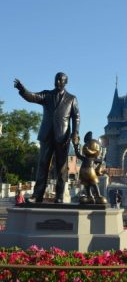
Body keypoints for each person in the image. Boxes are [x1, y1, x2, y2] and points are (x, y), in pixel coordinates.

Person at [14, 72, 80, 203]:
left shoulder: (72, 98)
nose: (58, 82)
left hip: (63, 137)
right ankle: (37, 196)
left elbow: (76, 117)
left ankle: (60, 196)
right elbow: (32, 97)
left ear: (66, 82)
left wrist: (75, 133)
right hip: (46, 135)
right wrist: (23, 90)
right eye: (56, 79)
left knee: (61, 167)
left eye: (61, 80)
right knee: (43, 165)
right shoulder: (47, 95)